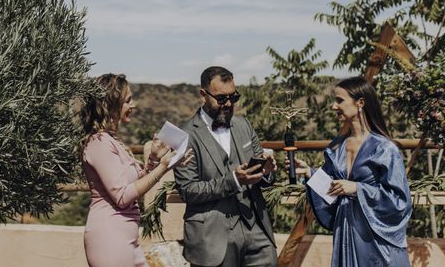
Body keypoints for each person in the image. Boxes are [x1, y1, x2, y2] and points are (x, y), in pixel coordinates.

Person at [291, 76, 412, 267]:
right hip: (345, 229)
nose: (333, 106)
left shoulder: (385, 149)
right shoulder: (337, 148)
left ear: (360, 103)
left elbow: (399, 201)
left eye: (340, 100)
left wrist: (357, 188)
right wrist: (310, 173)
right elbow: (332, 189)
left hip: (375, 238)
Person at [80, 73, 193, 267]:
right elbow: (123, 196)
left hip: (125, 238)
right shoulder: (98, 143)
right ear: (110, 105)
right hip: (110, 238)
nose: (134, 105)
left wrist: (154, 160)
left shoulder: (111, 140)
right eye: (128, 101)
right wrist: (165, 166)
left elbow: (133, 183)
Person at [173, 66, 278, 267]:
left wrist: (267, 173)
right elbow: (188, 190)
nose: (228, 104)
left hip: (258, 233)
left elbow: (262, 175)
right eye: (221, 98)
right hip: (213, 240)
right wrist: (235, 180)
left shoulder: (244, 125)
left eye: (233, 97)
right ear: (203, 94)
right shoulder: (185, 135)